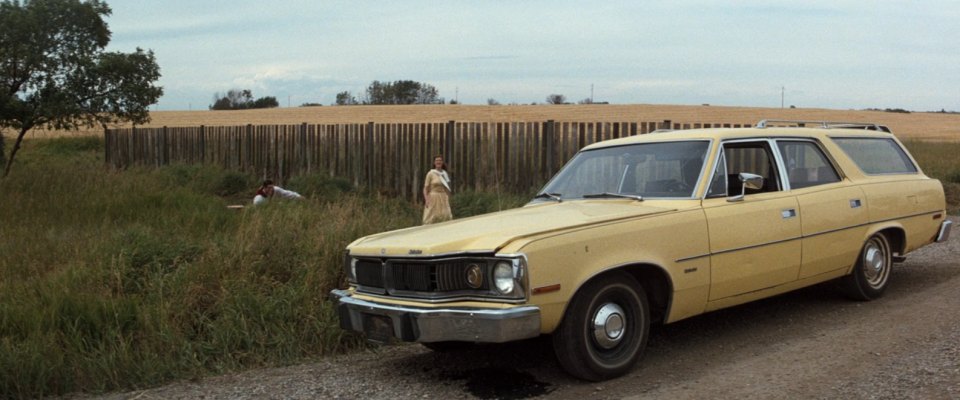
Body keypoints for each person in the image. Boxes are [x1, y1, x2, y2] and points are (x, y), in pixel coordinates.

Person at [422, 155, 452, 224]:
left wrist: (448, 197)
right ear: (434, 162)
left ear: (442, 162)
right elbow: (425, 188)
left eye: (440, 160)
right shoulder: (430, 173)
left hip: (443, 197)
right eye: (437, 160)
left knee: (445, 216)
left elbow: (446, 187)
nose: (438, 162)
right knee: (431, 217)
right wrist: (426, 199)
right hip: (433, 197)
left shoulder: (445, 174)